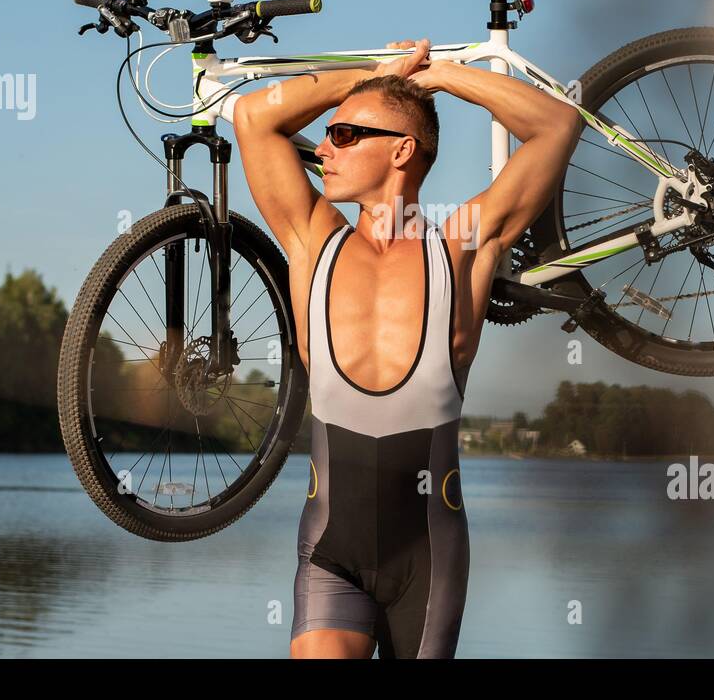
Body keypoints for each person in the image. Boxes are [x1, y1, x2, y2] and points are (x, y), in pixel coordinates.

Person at [232, 38, 582, 658]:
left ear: (401, 151)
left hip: (427, 556)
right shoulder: (313, 243)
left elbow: (558, 124)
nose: (325, 149)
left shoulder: (461, 247)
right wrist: (371, 77)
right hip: (328, 553)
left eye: (345, 135)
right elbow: (254, 118)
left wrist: (441, 76)